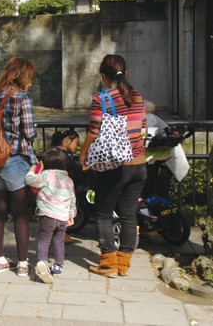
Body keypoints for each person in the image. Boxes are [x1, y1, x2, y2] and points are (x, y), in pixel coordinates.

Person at [77, 54, 146, 278]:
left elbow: (94, 131)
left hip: (116, 167)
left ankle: (108, 263)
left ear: (103, 77)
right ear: (125, 74)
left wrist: (83, 154)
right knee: (128, 213)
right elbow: (142, 130)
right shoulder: (137, 97)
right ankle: (124, 264)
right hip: (139, 164)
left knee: (104, 212)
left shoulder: (102, 99)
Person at [0, 57, 38, 277]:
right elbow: (30, 132)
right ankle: (23, 264)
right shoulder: (21, 97)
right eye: (30, 78)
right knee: (20, 213)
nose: (31, 82)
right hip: (14, 159)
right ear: (23, 76)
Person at [25, 147, 76, 284]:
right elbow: (72, 199)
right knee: (59, 241)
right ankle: (58, 266)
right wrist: (71, 214)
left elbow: (29, 180)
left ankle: (42, 261)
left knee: (44, 239)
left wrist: (33, 168)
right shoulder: (68, 180)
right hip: (63, 216)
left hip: (47, 214)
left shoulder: (45, 176)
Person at [51, 130, 82, 243]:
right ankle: (60, 236)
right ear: (67, 140)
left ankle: (57, 234)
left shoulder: (55, 152)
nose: (77, 147)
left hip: (53, 188)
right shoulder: (63, 154)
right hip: (61, 189)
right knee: (61, 213)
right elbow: (74, 166)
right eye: (77, 143)